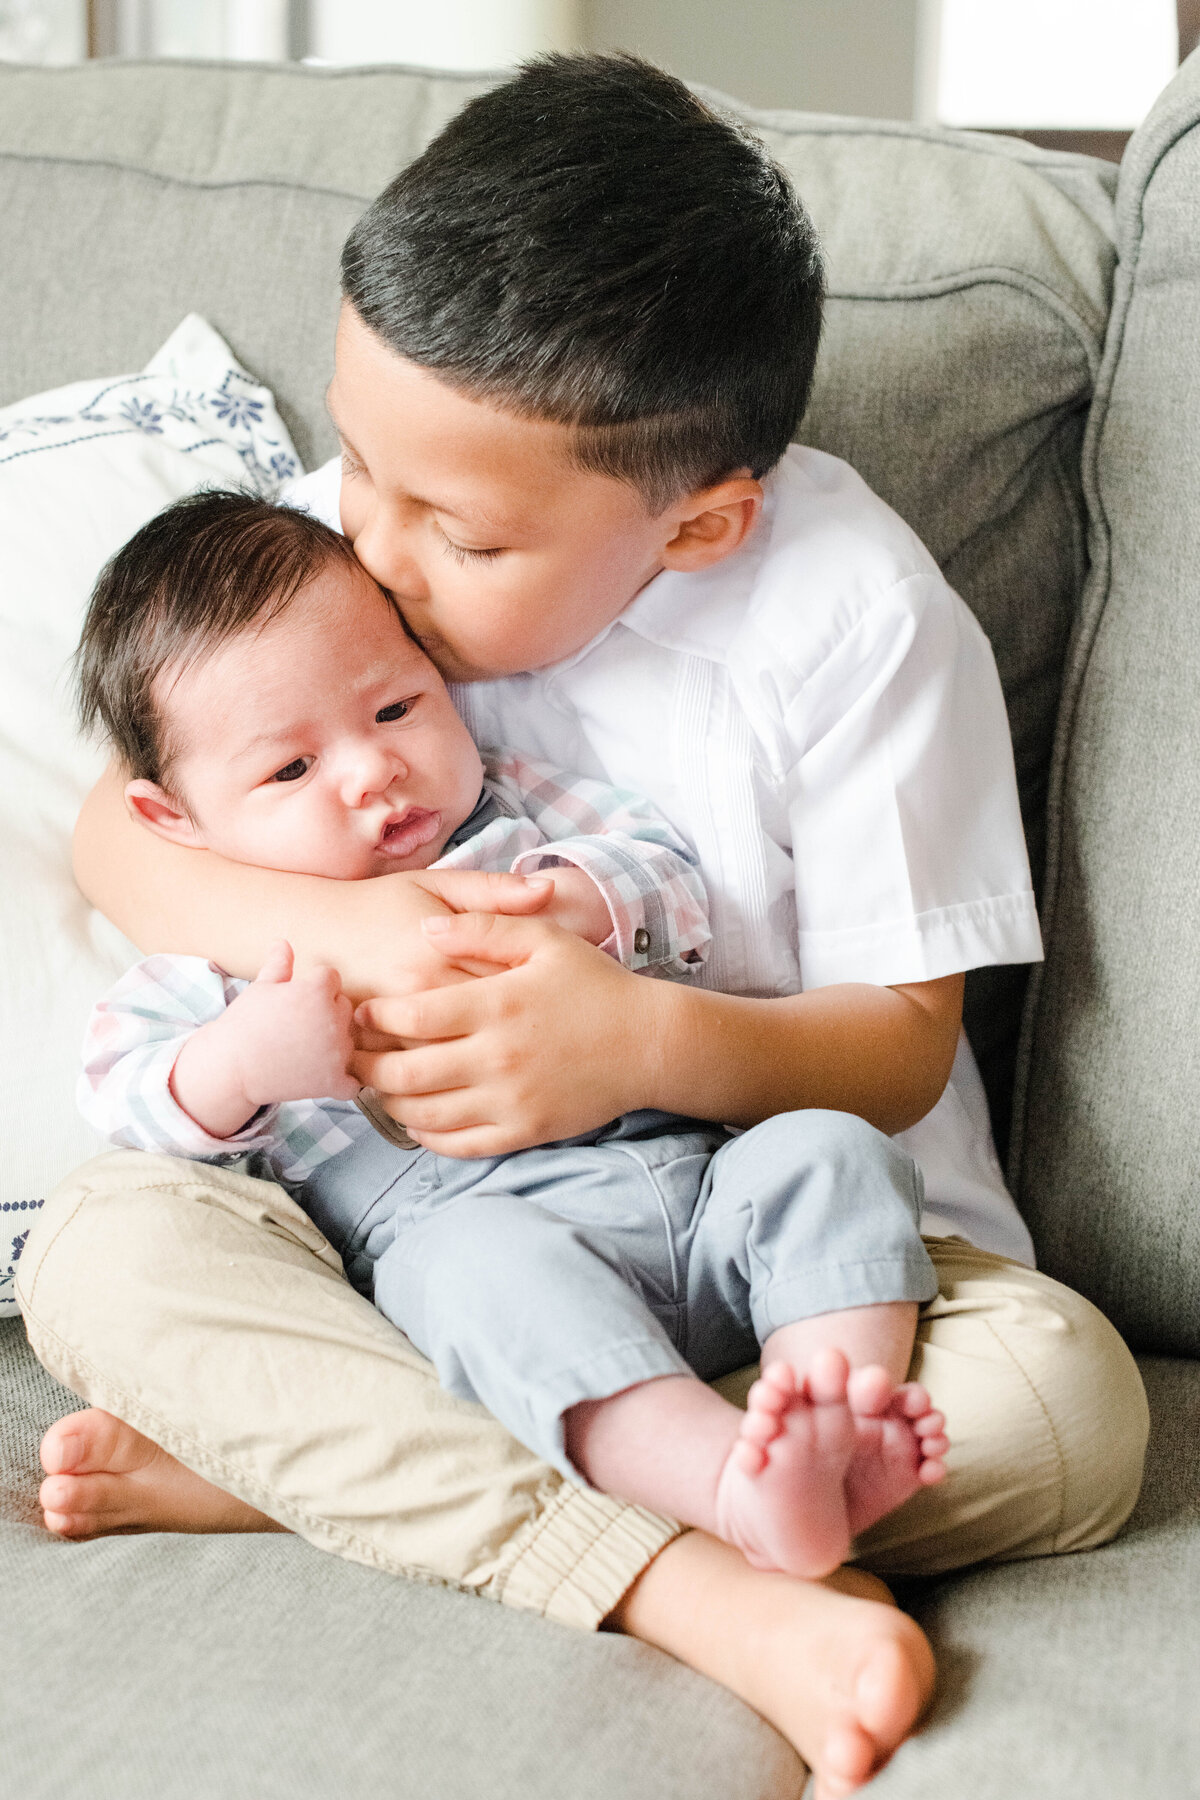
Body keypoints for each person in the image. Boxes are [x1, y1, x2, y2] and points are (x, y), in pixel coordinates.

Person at [17, 53, 1148, 1800]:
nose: (368, 551)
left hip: (782, 1277)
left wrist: (635, 1041)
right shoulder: (358, 526)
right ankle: (702, 1581)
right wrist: (377, 934)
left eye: (449, 531)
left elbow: (904, 1042)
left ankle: (333, 1463)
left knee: (1074, 1418)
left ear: (696, 526)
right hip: (432, 1243)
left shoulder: (856, 627)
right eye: (358, 461)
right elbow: (126, 830)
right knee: (101, 1252)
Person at [74, 486, 948, 1580]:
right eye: (291, 771)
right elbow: (122, 1088)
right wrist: (242, 1060)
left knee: (831, 1151)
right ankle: (722, 1478)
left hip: (695, 1182)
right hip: (486, 1237)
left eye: (396, 709)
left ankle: (833, 1411)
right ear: (177, 821)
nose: (370, 770)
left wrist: (583, 900)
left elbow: (670, 877)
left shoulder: (521, 819)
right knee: (473, 1275)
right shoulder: (214, 963)